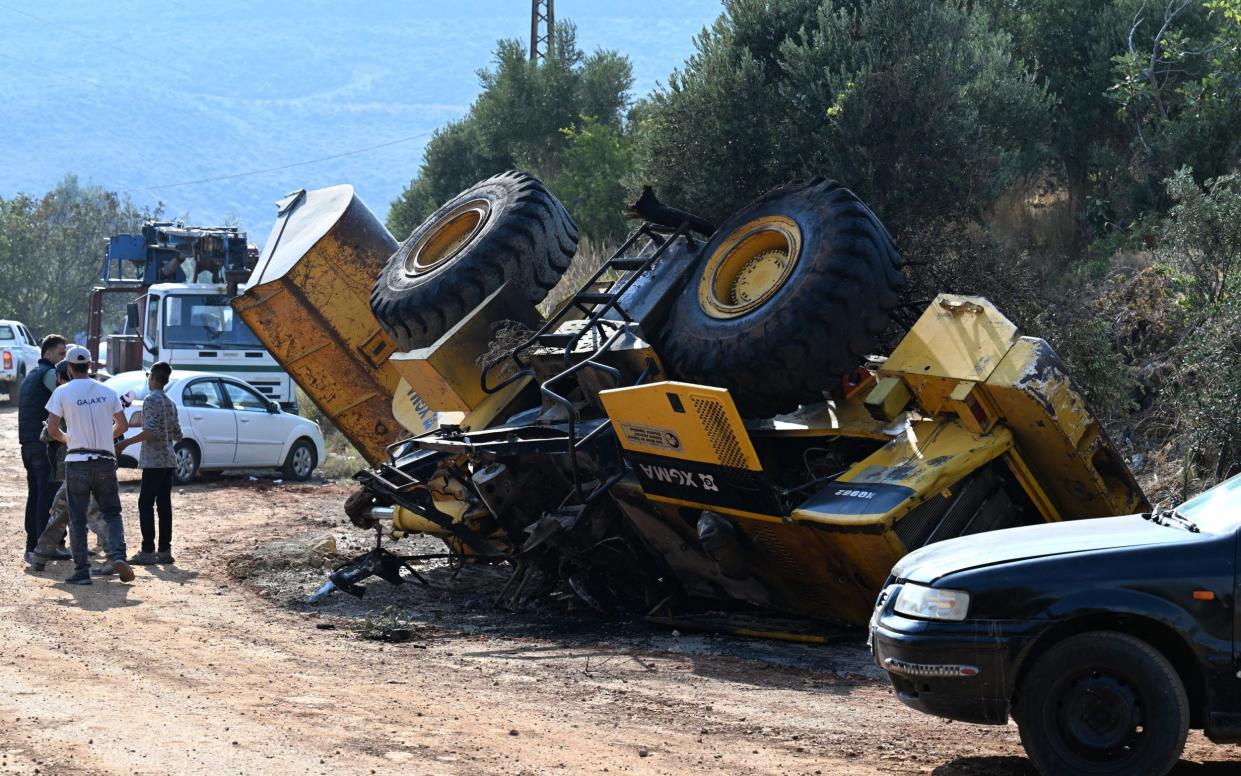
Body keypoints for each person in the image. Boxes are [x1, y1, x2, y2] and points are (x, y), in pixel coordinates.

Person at [45, 346, 134, 585]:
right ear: (91, 366)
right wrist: (106, 436)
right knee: (112, 514)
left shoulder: (62, 392)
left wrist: (68, 439)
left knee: (77, 519)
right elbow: (123, 426)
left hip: (77, 463)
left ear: (70, 368)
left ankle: (82, 572)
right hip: (105, 461)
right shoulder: (108, 391)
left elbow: (52, 429)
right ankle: (118, 556)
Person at [30, 360, 107, 571]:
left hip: (72, 463)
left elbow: (48, 433)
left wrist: (62, 436)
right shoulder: (97, 393)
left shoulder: (63, 395)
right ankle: (41, 555)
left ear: (63, 375)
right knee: (75, 509)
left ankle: (113, 554)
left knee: (69, 510)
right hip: (99, 461)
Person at [115, 361, 181, 564]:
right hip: (169, 459)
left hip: (154, 461)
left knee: (145, 503)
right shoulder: (170, 402)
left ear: (153, 377)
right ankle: (164, 550)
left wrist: (125, 442)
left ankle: (147, 550)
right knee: (164, 506)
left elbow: (151, 431)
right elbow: (178, 433)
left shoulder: (151, 400)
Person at [19, 334, 67, 563]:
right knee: (46, 498)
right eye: (61, 354)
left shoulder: (31, 375)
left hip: (28, 445)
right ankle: (42, 547)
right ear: (47, 354)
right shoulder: (50, 374)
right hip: (42, 444)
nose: (63, 359)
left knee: (36, 495)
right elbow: (64, 399)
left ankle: (32, 546)